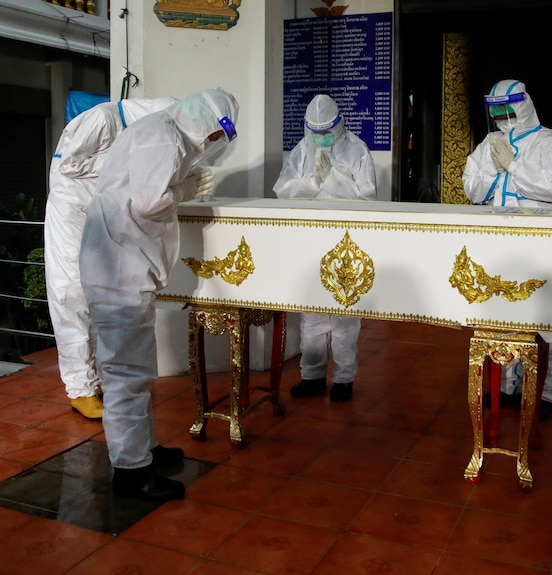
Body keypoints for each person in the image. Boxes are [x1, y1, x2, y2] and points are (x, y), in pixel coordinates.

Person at [79, 88, 237, 502]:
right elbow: (150, 203)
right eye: (216, 136)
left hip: (121, 261)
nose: (213, 145)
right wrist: (185, 190)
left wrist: (181, 184)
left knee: (134, 367)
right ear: (206, 120)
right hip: (118, 268)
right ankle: (131, 473)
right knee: (126, 374)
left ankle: (144, 450)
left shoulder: (161, 131)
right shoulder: (163, 136)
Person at [46, 97, 176, 421]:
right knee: (72, 293)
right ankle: (80, 389)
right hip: (70, 212)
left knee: (100, 292)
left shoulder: (133, 131)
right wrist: (123, 165)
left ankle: (99, 380)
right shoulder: (102, 120)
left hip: (96, 212)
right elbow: (69, 165)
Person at [461, 79, 552, 421]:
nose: (503, 116)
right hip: (501, 242)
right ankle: (507, 388)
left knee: (548, 319)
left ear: (524, 105)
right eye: (496, 111)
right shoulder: (490, 142)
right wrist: (495, 172)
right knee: (503, 316)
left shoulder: (549, 142)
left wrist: (515, 167)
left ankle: (547, 391)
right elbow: (472, 188)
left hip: (544, 243)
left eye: (508, 109)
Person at [272, 94, 377, 402]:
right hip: (310, 238)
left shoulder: (357, 150)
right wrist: (312, 182)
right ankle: (312, 375)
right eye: (315, 131)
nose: (321, 137)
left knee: (344, 313)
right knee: (312, 313)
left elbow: (368, 197)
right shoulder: (301, 151)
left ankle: (344, 379)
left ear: (339, 123)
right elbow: (282, 190)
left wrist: (332, 178)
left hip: (347, 241)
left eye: (326, 131)